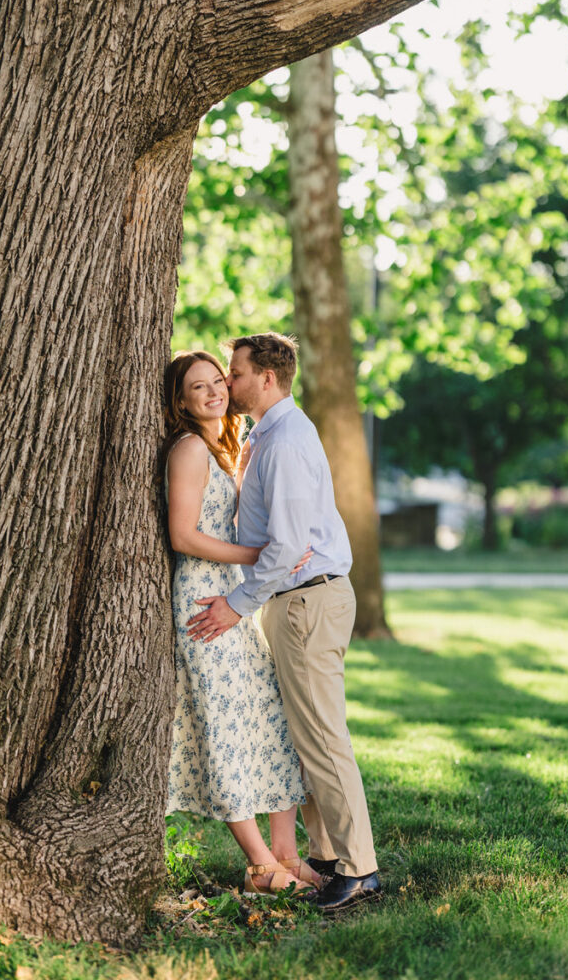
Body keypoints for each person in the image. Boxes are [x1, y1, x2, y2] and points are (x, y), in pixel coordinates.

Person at [186, 333, 381, 913]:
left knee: (322, 737)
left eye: (236, 373)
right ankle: (325, 853)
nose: (228, 382)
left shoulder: (287, 440)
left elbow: (290, 543)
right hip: (293, 601)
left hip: (307, 601)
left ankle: (359, 869)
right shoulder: (264, 434)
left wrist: (237, 603)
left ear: (267, 378)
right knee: (305, 737)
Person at [163, 349, 322, 896]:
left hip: (233, 598)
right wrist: (258, 555)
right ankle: (260, 866)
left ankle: (286, 851)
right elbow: (183, 537)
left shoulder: (230, 445)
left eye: (218, 381)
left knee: (270, 719)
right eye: (198, 387)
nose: (214, 392)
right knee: (225, 727)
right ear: (181, 400)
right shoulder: (188, 449)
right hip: (204, 603)